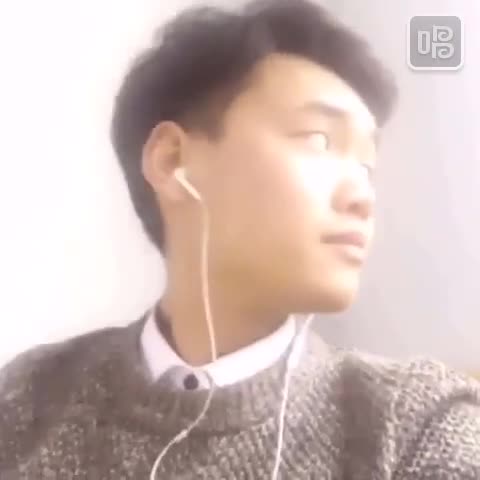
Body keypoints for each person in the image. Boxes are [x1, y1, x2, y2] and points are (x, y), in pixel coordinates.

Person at [1, 0, 479, 478]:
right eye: (319, 140)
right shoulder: (27, 400)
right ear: (172, 162)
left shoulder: (414, 426)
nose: (363, 197)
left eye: (366, 167)